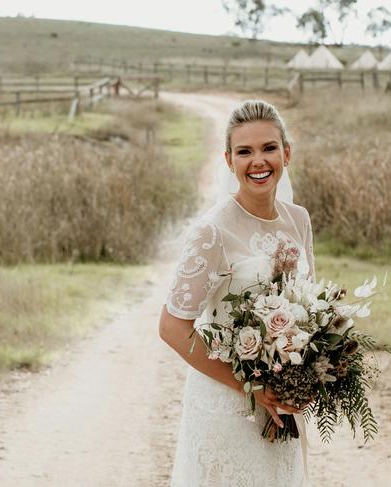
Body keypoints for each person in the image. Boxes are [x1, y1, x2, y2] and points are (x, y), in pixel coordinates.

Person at [159, 99, 316, 486]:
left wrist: (307, 374)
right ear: (229, 160)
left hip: (281, 404)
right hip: (228, 409)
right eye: (244, 151)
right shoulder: (212, 231)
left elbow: (308, 308)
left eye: (268, 148)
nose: (258, 161)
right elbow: (172, 328)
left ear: (286, 153)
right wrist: (253, 386)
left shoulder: (299, 219)